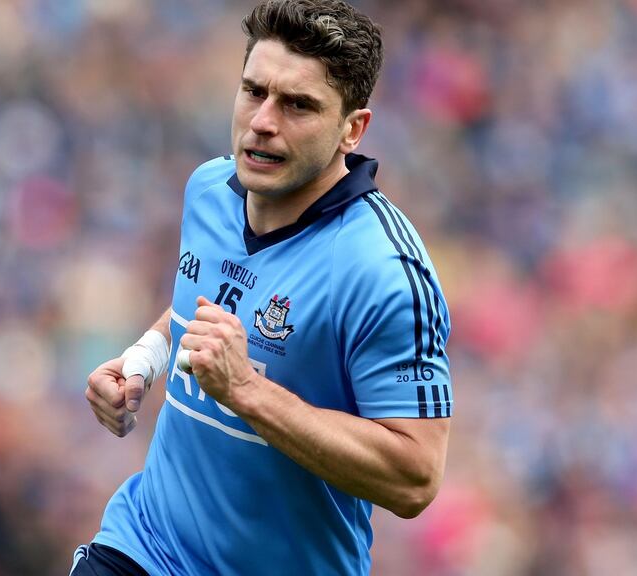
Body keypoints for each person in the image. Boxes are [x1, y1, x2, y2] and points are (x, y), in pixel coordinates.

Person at [76, 1, 452, 574]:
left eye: (298, 104)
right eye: (254, 92)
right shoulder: (210, 188)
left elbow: (415, 477)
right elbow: (205, 299)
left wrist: (248, 391)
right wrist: (146, 357)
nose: (263, 121)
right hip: (146, 546)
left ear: (352, 129)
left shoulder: (382, 269)